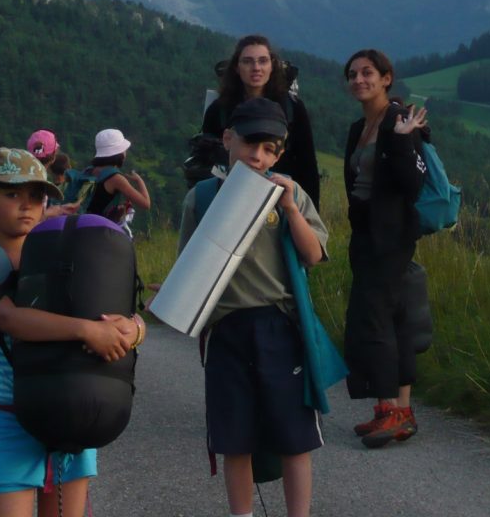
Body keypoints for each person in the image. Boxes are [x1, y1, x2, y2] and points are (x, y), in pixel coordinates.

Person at [0, 147, 144, 517]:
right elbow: (10, 319)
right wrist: (87, 331)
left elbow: (122, 315)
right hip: (4, 414)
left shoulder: (62, 257)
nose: (27, 205)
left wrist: (132, 330)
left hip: (69, 402)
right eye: (12, 195)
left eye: (37, 196)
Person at [176, 98, 329, 517]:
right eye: (248, 144)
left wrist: (290, 209)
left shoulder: (289, 193)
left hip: (279, 325)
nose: (257, 156)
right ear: (227, 139)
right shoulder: (202, 197)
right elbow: (188, 264)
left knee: (294, 435)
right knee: (234, 438)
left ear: (279, 152)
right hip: (226, 328)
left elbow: (313, 255)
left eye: (269, 149)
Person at [341, 48, 428, 448]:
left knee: (373, 319)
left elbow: (411, 183)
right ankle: (401, 413)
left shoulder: (397, 119)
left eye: (368, 72)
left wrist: (401, 142)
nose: (359, 79)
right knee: (394, 318)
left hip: (389, 237)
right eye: (353, 74)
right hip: (368, 234)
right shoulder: (359, 126)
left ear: (387, 77)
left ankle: (388, 409)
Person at [201, 35, 321, 209]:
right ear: (237, 67)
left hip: (281, 199)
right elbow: (206, 158)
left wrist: (310, 212)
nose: (256, 68)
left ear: (272, 65)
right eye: (248, 61)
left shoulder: (293, 108)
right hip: (230, 198)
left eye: (262, 61)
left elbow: (307, 162)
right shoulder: (218, 110)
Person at [76, 129, 151, 234]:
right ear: (119, 153)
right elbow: (145, 204)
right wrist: (140, 181)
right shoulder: (116, 178)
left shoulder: (89, 171)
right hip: (100, 232)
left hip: (81, 227)